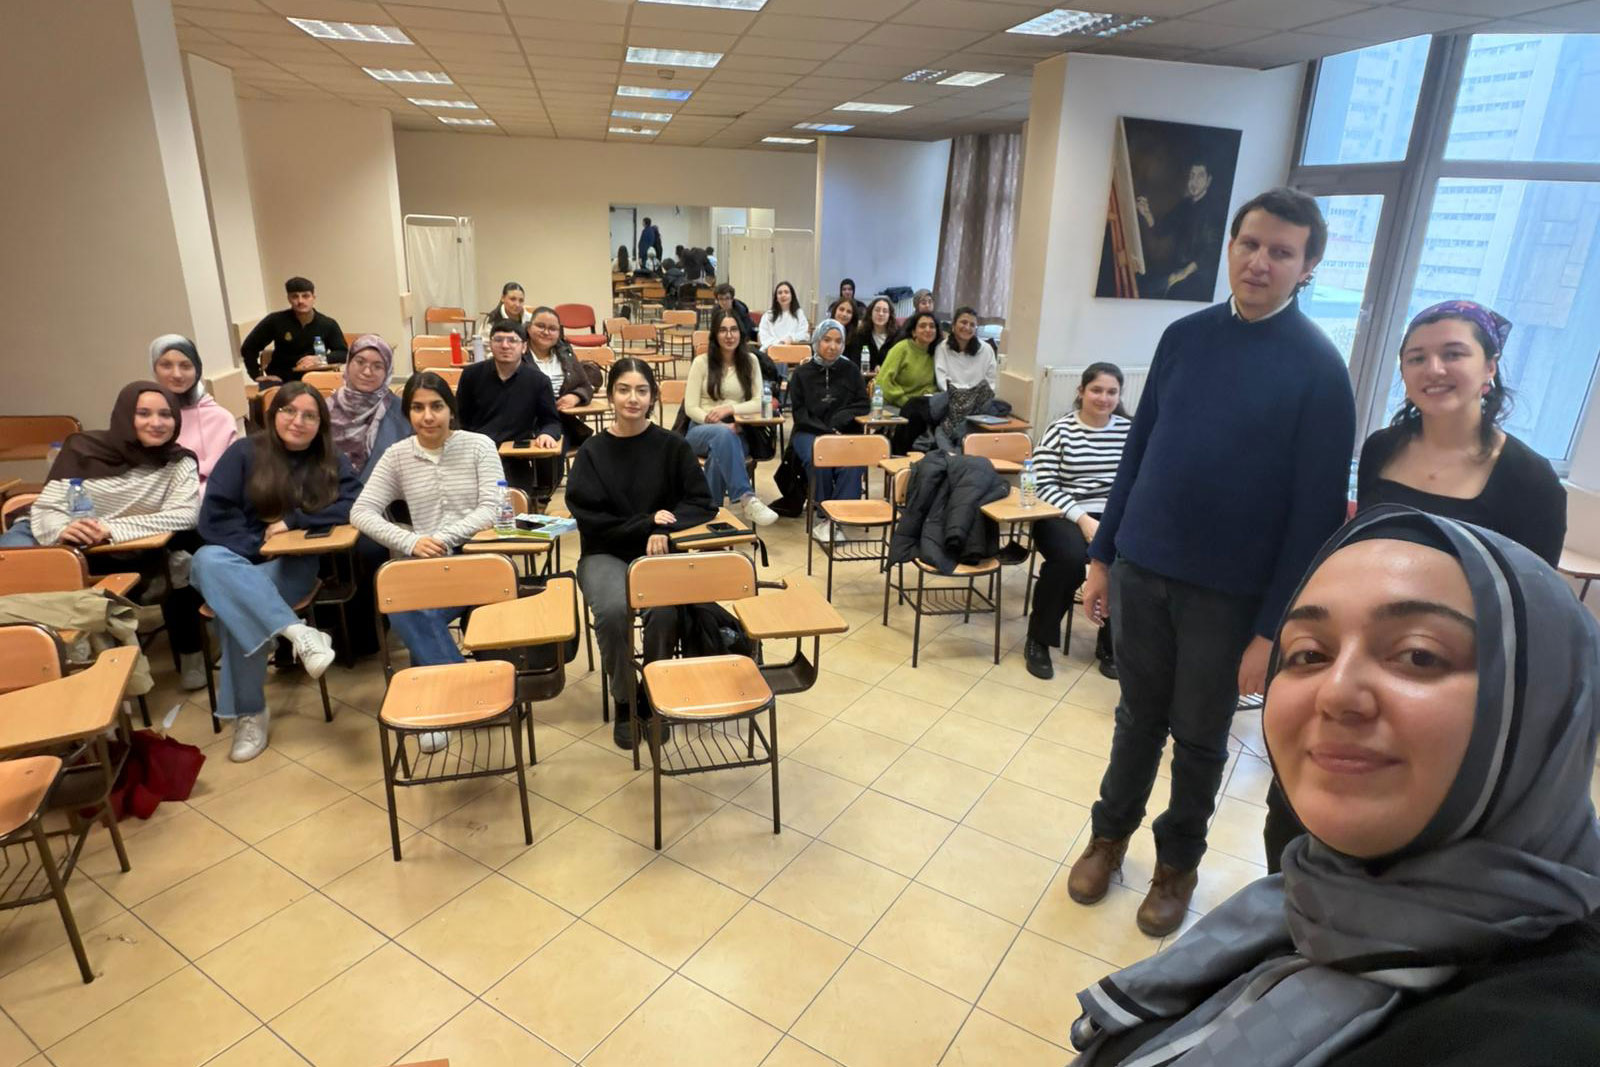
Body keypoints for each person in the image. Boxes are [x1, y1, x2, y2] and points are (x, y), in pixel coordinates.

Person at [1068, 506, 1600, 1067]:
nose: (1336, 692)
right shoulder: (1306, 900)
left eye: (1419, 655)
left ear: (1547, 706)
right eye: (1309, 654)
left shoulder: (1551, 1026)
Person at [1070, 187, 1356, 937]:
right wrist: (1103, 556)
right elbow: (1138, 453)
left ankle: (1176, 865)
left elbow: (1314, 519)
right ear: (1230, 247)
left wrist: (1272, 631)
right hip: (1143, 568)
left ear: (1308, 267)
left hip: (1229, 598)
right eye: (1249, 244)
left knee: (1199, 738)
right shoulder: (1183, 338)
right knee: (1135, 719)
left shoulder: (1320, 369)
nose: (1260, 261)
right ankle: (1108, 838)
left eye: (1281, 252)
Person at [1261, 298, 1568, 872]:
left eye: (1454, 354)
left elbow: (1533, 613)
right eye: (1417, 357)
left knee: (1404, 825)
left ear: (1490, 367)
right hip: (1356, 650)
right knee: (1299, 808)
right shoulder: (1382, 449)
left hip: (1442, 680)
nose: (1434, 369)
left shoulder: (1530, 481)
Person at [192, 383, 356, 762]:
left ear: (321, 423)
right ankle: (299, 633)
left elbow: (355, 503)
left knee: (235, 610)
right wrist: (257, 548)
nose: (298, 421)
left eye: (309, 415)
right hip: (235, 562)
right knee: (205, 559)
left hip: (291, 564)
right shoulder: (243, 453)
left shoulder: (329, 458)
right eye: (289, 411)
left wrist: (293, 522)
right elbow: (214, 518)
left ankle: (251, 713)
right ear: (273, 414)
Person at [351, 372, 505, 754]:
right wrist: (410, 540)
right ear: (408, 414)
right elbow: (361, 511)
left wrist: (443, 537)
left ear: (451, 409)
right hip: (428, 564)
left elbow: (492, 508)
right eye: (417, 408)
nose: (428, 416)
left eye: (437, 406)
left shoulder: (479, 446)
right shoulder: (398, 455)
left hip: (479, 559)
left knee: (416, 615)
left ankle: (435, 703)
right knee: (402, 605)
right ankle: (469, 689)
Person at [565, 359, 716, 749]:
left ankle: (653, 693)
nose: (632, 398)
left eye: (641, 390)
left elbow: (701, 502)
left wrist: (664, 529)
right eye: (623, 389)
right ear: (610, 395)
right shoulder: (592, 451)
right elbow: (590, 519)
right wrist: (646, 523)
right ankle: (625, 699)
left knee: (663, 611)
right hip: (605, 551)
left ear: (653, 396)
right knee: (613, 611)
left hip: (657, 553)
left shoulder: (672, 446)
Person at [1023, 364, 1131, 682]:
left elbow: (1138, 482)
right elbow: (1043, 484)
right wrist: (1082, 519)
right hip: (1061, 514)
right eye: (1096, 390)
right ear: (1081, 391)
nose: (1104, 398)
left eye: (1111, 392)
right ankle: (1039, 641)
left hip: (1114, 517)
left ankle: (1110, 646)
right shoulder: (1060, 430)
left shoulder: (1130, 431)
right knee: (1069, 562)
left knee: (1127, 564)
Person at [682, 310, 778, 526]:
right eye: (723, 330)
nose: (729, 335)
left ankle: (711, 513)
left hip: (738, 430)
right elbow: (691, 407)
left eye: (733, 329)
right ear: (715, 335)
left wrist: (729, 409)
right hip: (700, 429)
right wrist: (717, 424)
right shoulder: (701, 362)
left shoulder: (751, 361)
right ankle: (747, 498)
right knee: (722, 437)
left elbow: (759, 401)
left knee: (718, 455)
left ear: (740, 333)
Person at [455, 320, 561, 503]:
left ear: (524, 347)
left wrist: (547, 434)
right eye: (498, 340)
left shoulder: (538, 381)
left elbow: (551, 421)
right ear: (490, 344)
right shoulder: (471, 375)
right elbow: (459, 418)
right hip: (475, 456)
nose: (505, 345)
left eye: (512, 340)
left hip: (514, 459)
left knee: (513, 503)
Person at [789, 319, 870, 545]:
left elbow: (863, 404)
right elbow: (800, 414)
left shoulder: (851, 370)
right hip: (809, 432)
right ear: (817, 341)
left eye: (838, 341)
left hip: (844, 432)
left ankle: (837, 519)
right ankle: (824, 515)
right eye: (826, 340)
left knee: (853, 463)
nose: (832, 346)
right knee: (820, 459)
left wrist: (841, 419)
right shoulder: (802, 374)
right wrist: (826, 431)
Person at [148, 334, 239, 486]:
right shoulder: (146, 419)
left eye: (185, 366)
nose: (177, 374)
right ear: (154, 370)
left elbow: (230, 478)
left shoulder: (220, 419)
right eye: (166, 365)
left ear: (197, 370)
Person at [1135, 161, 1225, 301]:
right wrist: (1147, 214)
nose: (1194, 181)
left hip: (1198, 275)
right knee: (1141, 284)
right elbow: (1161, 230)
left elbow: (1211, 252)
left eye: (1200, 176)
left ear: (1208, 181)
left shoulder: (1213, 210)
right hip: (1176, 268)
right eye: (1192, 176)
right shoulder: (1184, 205)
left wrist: (1184, 272)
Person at [527, 305, 597, 485]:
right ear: (529, 327)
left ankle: (545, 493)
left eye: (552, 328)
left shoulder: (565, 353)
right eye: (540, 326)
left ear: (559, 332)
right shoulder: (518, 353)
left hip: (560, 419)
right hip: (527, 420)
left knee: (554, 452)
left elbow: (586, 386)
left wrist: (576, 396)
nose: (546, 332)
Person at [327, 335, 409, 483]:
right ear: (348, 363)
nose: (367, 372)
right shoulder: (326, 409)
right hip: (327, 492)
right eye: (360, 362)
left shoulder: (402, 412)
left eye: (377, 366)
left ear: (387, 371)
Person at [240, 276, 348, 383]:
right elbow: (249, 347)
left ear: (313, 298)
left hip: (315, 379)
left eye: (305, 296)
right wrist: (256, 375)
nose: (300, 301)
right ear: (289, 299)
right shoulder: (275, 320)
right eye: (295, 296)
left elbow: (343, 353)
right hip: (280, 379)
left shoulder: (328, 324)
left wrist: (320, 359)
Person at [877, 311, 941, 454]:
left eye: (932, 326)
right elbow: (883, 382)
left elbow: (935, 384)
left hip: (921, 407)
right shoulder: (901, 348)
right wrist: (906, 401)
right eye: (922, 326)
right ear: (913, 332)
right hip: (894, 404)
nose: (928, 329)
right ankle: (901, 457)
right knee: (915, 420)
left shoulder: (937, 353)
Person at [933, 306, 998, 392]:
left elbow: (992, 381)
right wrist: (962, 394)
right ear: (953, 325)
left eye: (972, 325)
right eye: (964, 322)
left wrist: (974, 395)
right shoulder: (942, 348)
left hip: (979, 397)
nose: (967, 327)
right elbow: (942, 381)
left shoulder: (987, 350)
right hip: (951, 396)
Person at [757, 280, 810, 353]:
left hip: (793, 350)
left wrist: (791, 339)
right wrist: (780, 343)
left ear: (792, 296)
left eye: (786, 292)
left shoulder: (799, 313)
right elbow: (764, 336)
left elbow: (804, 333)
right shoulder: (768, 315)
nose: (783, 295)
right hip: (772, 350)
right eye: (780, 293)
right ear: (776, 298)